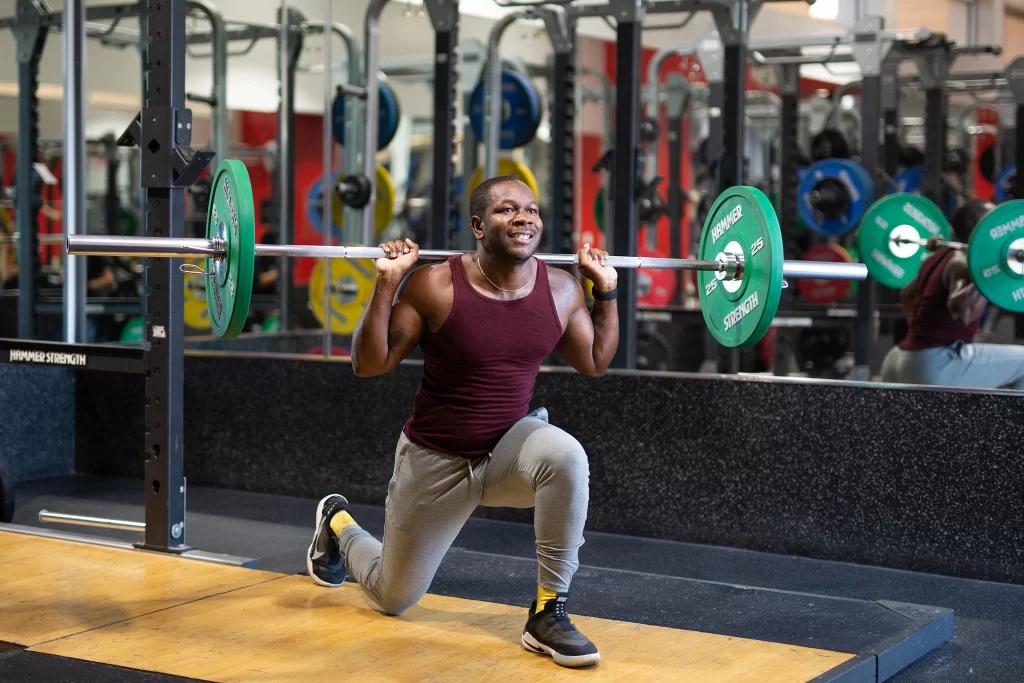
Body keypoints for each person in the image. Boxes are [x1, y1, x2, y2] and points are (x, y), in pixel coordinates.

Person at [306, 176, 619, 668]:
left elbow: (596, 361)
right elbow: (370, 363)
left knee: (565, 456)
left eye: (532, 210)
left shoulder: (560, 289)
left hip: (508, 452)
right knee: (392, 597)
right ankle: (338, 523)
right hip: (436, 460)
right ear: (478, 225)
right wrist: (387, 281)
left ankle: (548, 611)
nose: (524, 218)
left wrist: (606, 293)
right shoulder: (435, 285)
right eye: (506, 210)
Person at [880, 199, 1024, 389]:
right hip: (934, 363)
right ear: (976, 226)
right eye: (991, 219)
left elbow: (907, 297)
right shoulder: (962, 262)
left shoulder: (937, 256)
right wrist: (989, 272)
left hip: (899, 359)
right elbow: (961, 312)